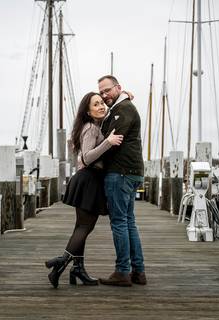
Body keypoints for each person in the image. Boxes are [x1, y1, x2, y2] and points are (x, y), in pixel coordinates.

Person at [45, 92, 124, 288]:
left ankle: (77, 269)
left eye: (101, 103)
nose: (101, 106)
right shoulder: (90, 128)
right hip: (89, 180)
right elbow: (87, 158)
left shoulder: (94, 126)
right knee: (84, 227)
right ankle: (61, 263)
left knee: (81, 227)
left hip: (89, 181)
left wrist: (125, 96)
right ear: (88, 111)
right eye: (95, 104)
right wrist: (108, 142)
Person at [97, 75, 146, 287]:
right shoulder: (121, 107)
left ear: (118, 88)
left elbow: (112, 140)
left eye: (107, 90)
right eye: (101, 92)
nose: (104, 95)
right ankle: (138, 272)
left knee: (119, 222)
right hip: (130, 172)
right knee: (128, 222)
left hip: (121, 173)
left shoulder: (123, 109)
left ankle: (123, 271)